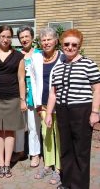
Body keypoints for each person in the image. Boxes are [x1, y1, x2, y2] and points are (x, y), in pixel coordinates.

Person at [45, 29, 100, 189]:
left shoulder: (89, 64)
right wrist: (49, 113)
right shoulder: (57, 67)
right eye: (66, 44)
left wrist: (95, 112)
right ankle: (67, 183)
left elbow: (97, 89)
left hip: (82, 111)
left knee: (81, 151)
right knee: (66, 148)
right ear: (62, 45)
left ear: (79, 45)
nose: (70, 47)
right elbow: (53, 93)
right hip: (62, 111)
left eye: (74, 44)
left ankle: (80, 186)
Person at [0, 25, 26, 178]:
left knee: (9, 131)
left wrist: (22, 99)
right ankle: (0, 163)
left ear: (11, 38)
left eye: (8, 36)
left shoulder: (18, 56)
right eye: (3, 36)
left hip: (13, 98)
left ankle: (7, 164)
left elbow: (21, 79)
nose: (5, 39)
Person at [31, 27, 64, 185]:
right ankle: (48, 165)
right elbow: (34, 81)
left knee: (60, 137)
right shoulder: (36, 58)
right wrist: (37, 104)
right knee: (47, 136)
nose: (46, 42)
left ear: (56, 40)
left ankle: (59, 169)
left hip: (60, 106)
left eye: (49, 39)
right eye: (43, 40)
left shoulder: (63, 58)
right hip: (43, 105)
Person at [12, 26, 41, 166]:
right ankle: (19, 151)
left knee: (33, 125)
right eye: (21, 37)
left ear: (32, 37)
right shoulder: (16, 54)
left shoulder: (39, 54)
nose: (24, 39)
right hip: (18, 94)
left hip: (34, 95)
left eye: (26, 36)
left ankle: (35, 153)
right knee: (18, 125)